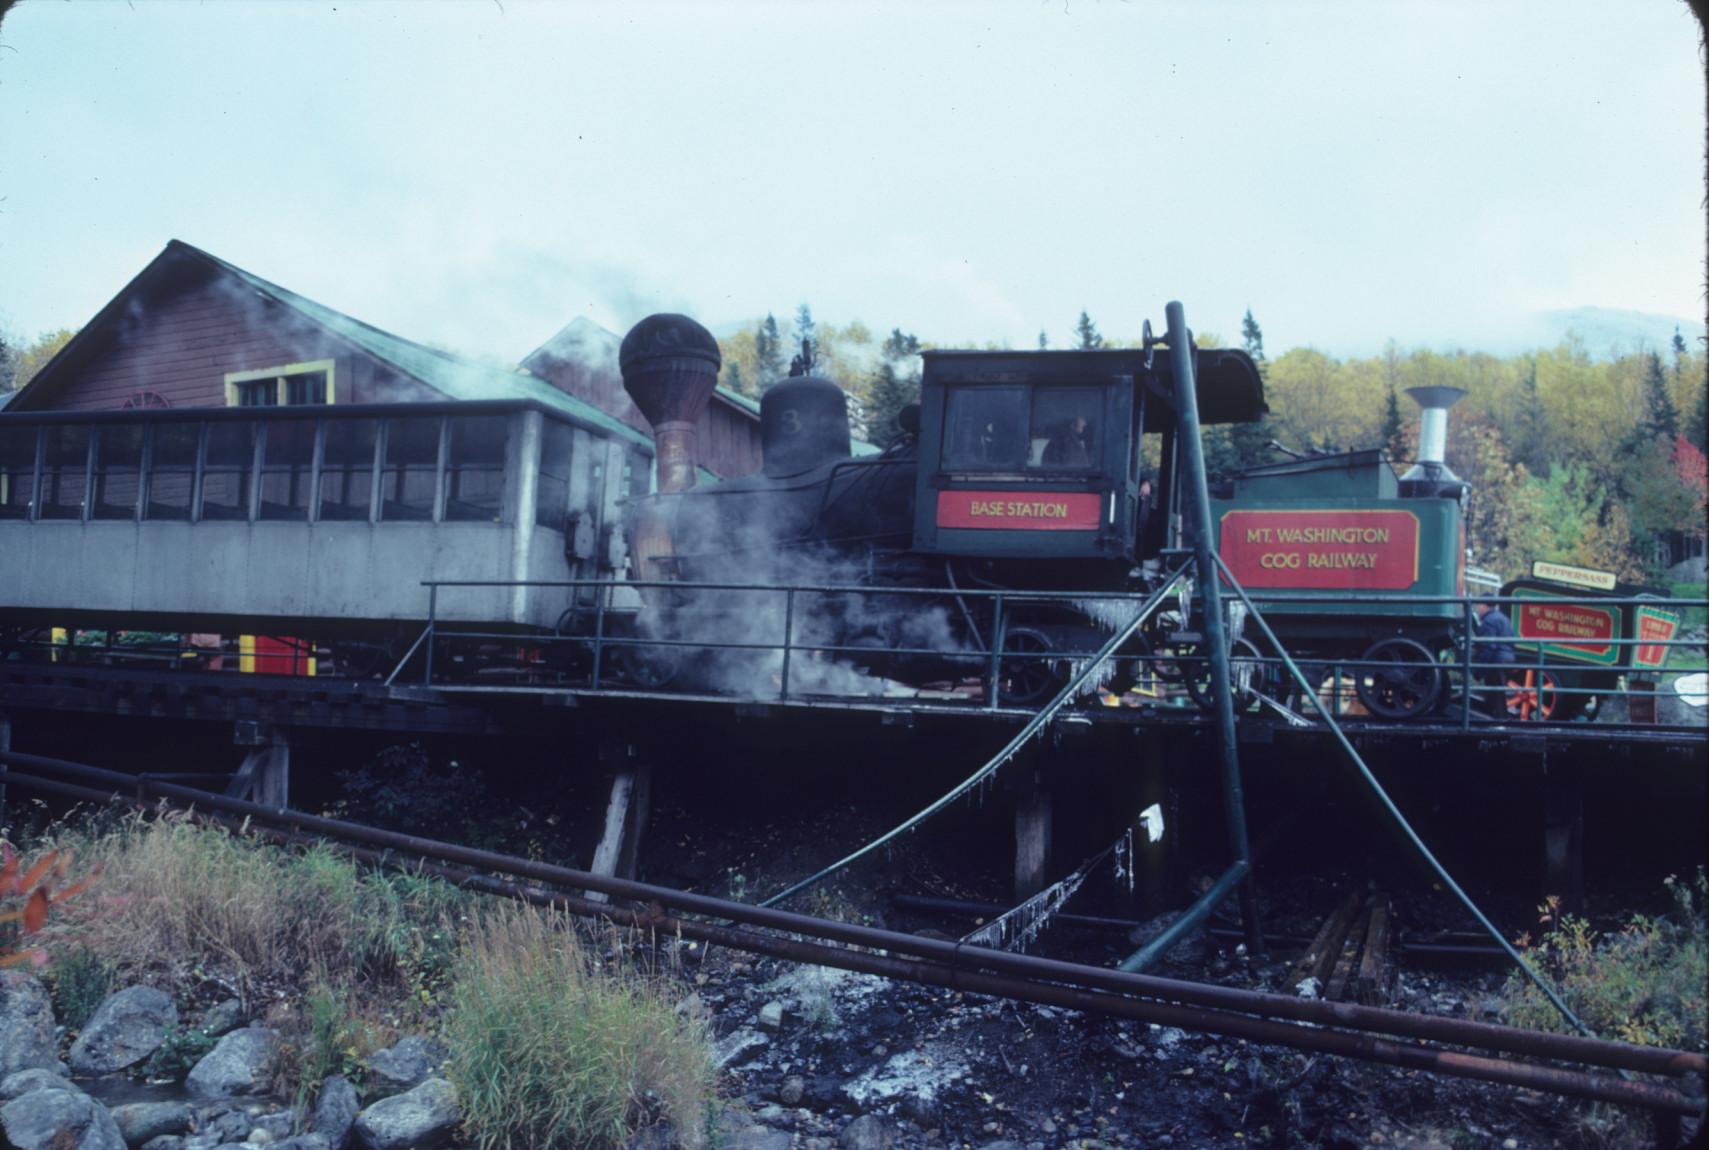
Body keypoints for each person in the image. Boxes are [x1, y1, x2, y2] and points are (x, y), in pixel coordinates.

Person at [1472, 597, 1515, 685]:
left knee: (1494, 694)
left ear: (1485, 606)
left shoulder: (1488, 621)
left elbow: (1488, 647)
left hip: (1496, 662)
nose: (1478, 608)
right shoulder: (1504, 618)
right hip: (1509, 660)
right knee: (1500, 694)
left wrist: (1478, 671)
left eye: (1479, 605)